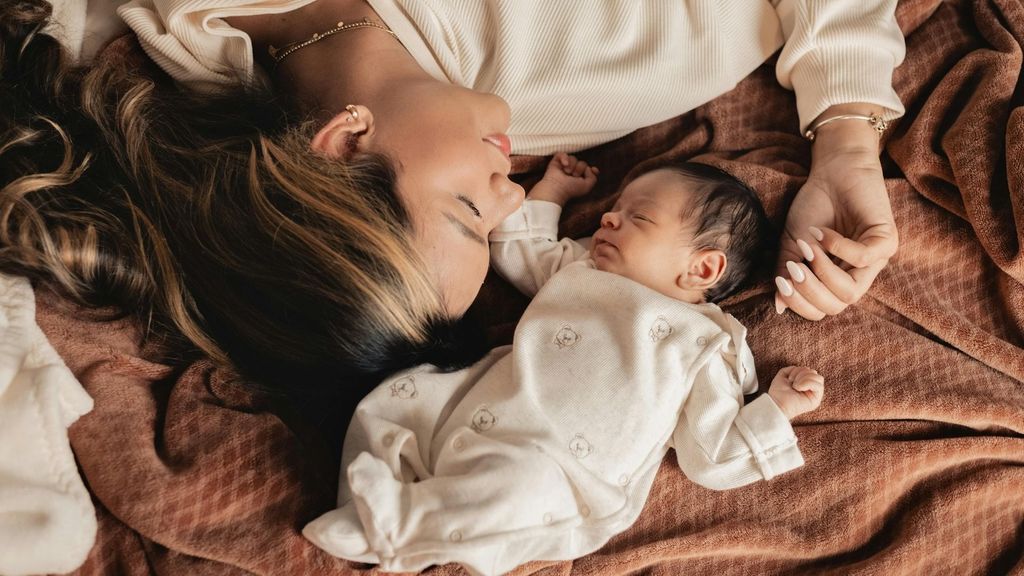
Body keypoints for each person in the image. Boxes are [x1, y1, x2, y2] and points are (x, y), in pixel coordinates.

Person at [302, 154, 826, 575]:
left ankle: (399, 532)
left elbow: (709, 457)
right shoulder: (583, 265)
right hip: (485, 398)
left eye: (638, 217)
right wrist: (554, 190)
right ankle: (361, 502)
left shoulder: (708, 344)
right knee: (399, 397)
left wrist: (777, 408)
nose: (609, 217)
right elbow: (519, 250)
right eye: (615, 208)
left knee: (510, 490)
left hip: (566, 469)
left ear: (703, 267)